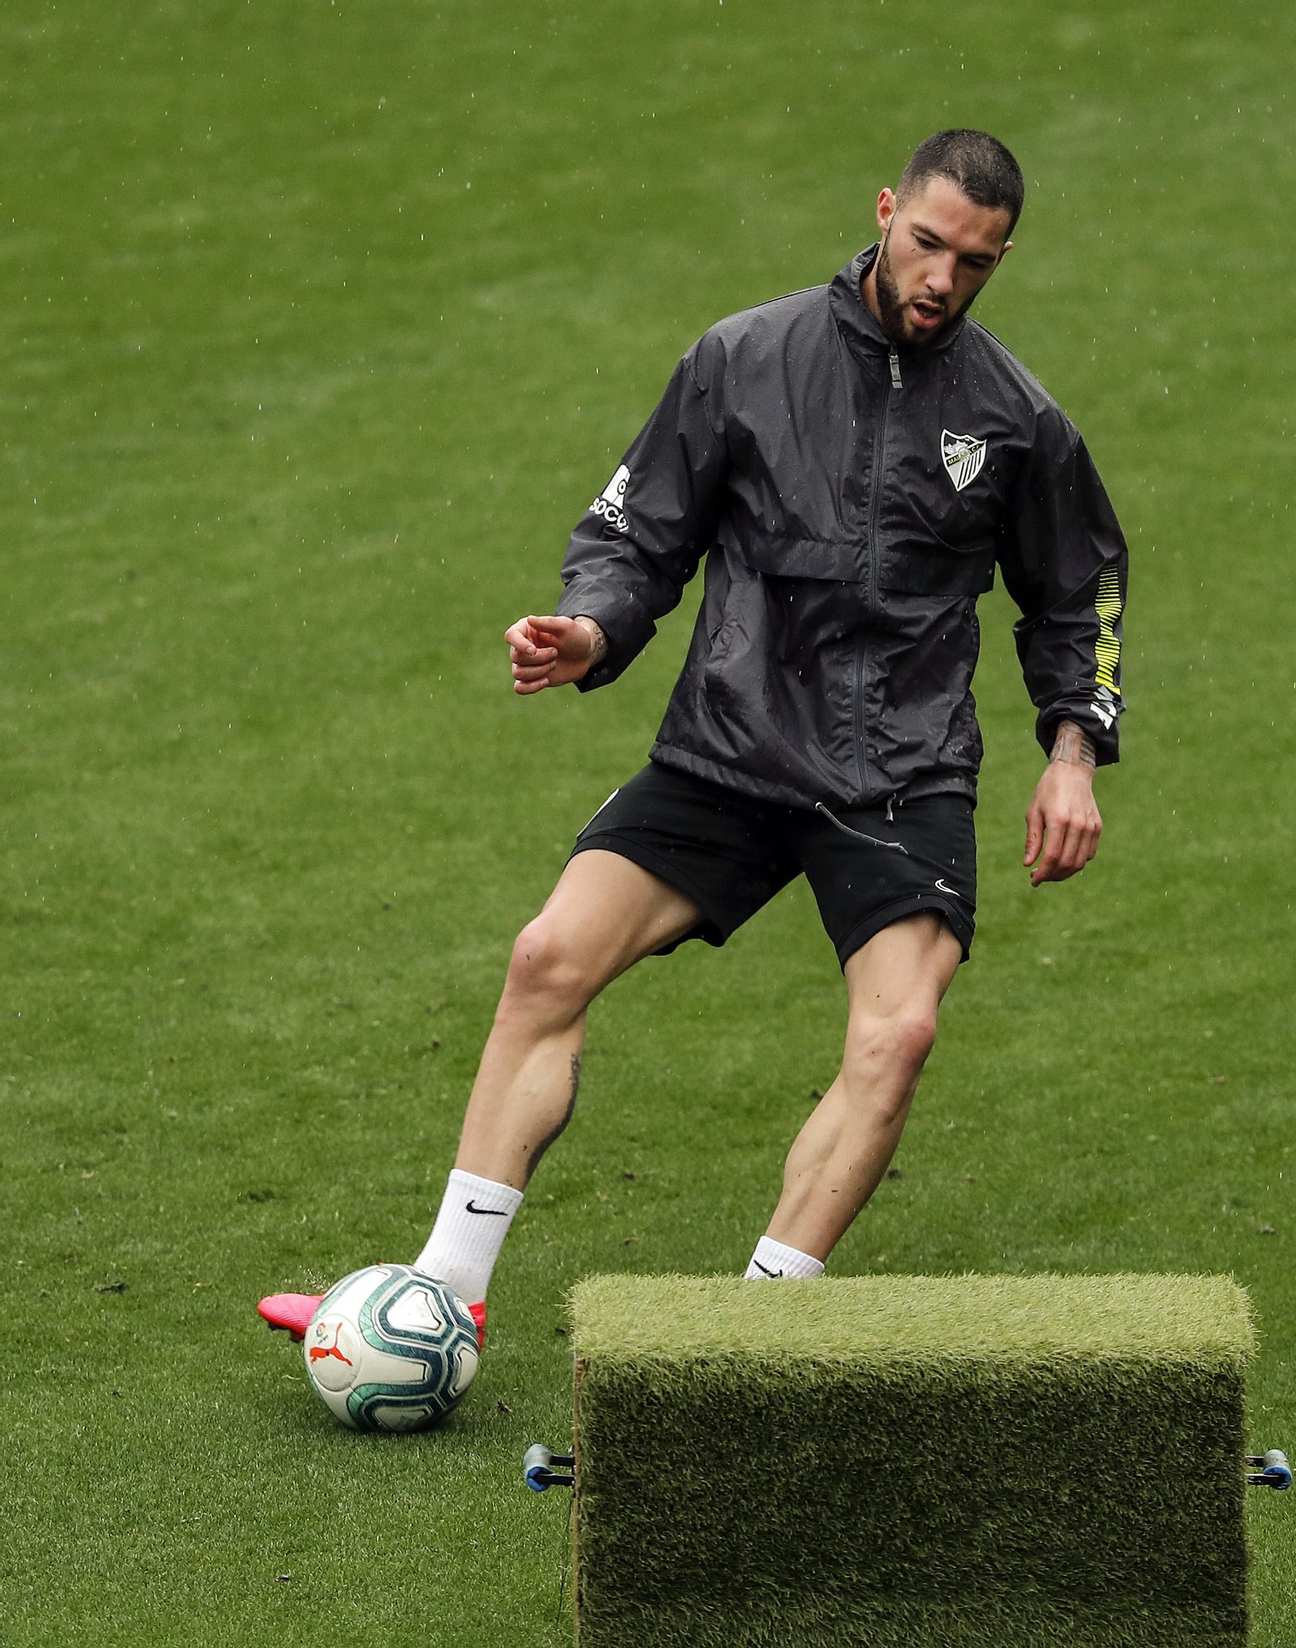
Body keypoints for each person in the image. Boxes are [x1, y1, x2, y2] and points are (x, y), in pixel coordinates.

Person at [259, 128, 1126, 1347]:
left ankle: (753, 1338)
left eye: (973, 262)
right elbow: (637, 534)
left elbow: (1075, 590)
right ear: (883, 210)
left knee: (901, 1031)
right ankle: (443, 1292)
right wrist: (592, 631)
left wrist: (1072, 751)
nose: (941, 279)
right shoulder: (745, 357)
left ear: (999, 259)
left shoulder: (1015, 418)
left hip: (899, 772)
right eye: (926, 243)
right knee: (548, 959)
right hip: (733, 743)